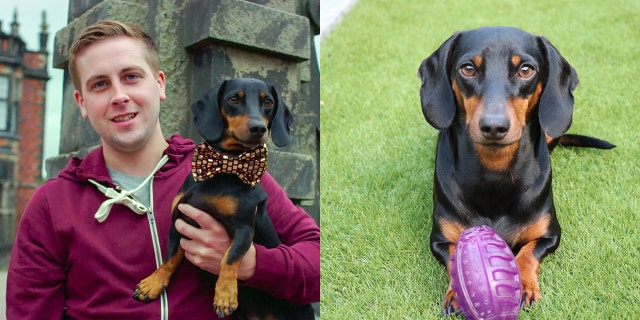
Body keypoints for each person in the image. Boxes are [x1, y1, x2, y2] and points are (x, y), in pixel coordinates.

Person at [6, 20, 320, 319]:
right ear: (82, 103)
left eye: (131, 77)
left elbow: (321, 264)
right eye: (100, 84)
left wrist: (252, 263)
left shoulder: (234, 169)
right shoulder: (51, 204)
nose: (120, 96)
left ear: (159, 85)